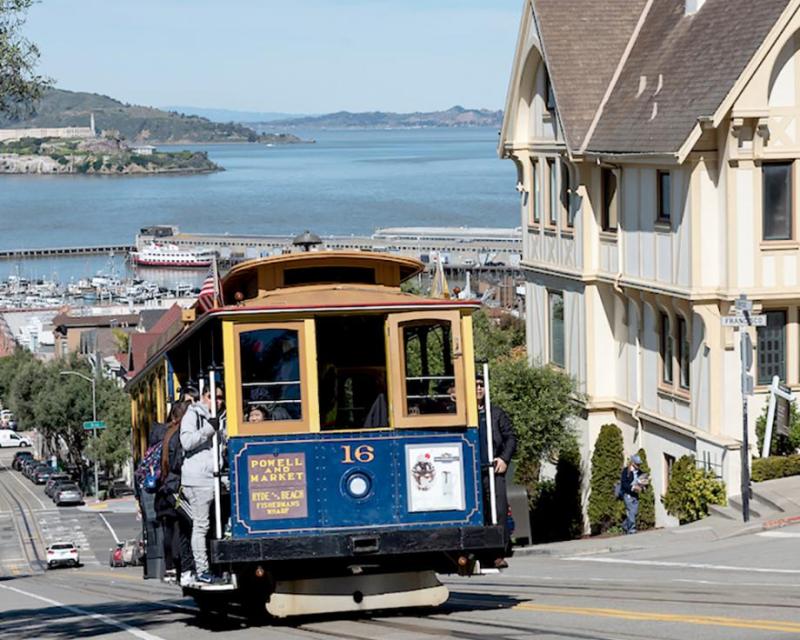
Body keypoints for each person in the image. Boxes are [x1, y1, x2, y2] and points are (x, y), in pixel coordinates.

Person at [180, 384, 225, 585]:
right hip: (197, 479)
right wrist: (208, 430)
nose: (216, 400)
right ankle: (202, 570)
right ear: (203, 396)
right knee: (201, 525)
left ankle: (219, 566)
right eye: (211, 396)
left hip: (215, 477)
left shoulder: (223, 417)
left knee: (217, 523)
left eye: (220, 397)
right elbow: (187, 442)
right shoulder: (193, 414)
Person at [476, 374, 516, 568]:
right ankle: (480, 553)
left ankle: (498, 553)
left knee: (499, 510)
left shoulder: (496, 413)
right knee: (480, 512)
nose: (478, 389)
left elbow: (510, 437)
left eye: (481, 385)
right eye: (475, 385)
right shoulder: (466, 413)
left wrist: (504, 458)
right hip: (473, 472)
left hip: (494, 471)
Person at [155, 400, 195, 586]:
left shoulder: (165, 432)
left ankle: (173, 569)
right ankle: (187, 569)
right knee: (192, 525)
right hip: (177, 487)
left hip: (166, 489)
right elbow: (179, 463)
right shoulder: (180, 435)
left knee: (172, 530)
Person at [620, 454, 643, 535]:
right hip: (627, 495)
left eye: (639, 464)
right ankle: (631, 529)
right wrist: (633, 488)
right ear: (632, 463)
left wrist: (643, 487)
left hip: (635, 495)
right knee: (631, 512)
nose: (638, 465)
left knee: (634, 512)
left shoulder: (640, 472)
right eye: (637, 464)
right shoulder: (626, 471)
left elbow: (643, 483)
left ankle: (625, 525)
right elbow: (624, 484)